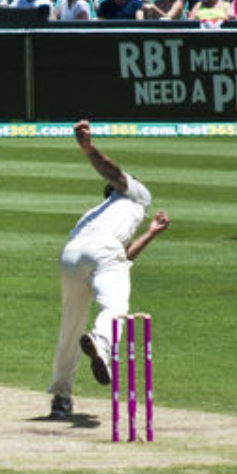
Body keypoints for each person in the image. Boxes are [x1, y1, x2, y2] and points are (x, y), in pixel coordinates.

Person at [48, 120, 170, 419]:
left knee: (70, 326)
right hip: (104, 251)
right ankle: (101, 344)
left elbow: (122, 258)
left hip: (71, 254)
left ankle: (61, 398)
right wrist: (88, 148)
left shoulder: (95, 213)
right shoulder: (139, 194)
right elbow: (112, 171)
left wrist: (151, 233)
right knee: (115, 307)